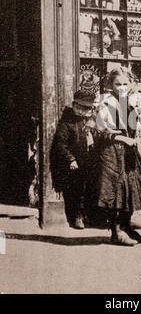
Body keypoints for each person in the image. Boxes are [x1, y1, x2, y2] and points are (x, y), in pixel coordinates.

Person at [94, 67, 141, 246]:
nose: (122, 87)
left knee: (131, 188)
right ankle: (116, 231)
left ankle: (126, 226)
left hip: (129, 152)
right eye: (118, 84)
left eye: (125, 83)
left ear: (131, 83)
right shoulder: (105, 103)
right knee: (116, 190)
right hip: (112, 152)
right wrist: (123, 138)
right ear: (110, 84)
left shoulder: (130, 103)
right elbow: (99, 131)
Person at [50, 90, 97, 229]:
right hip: (76, 162)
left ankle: (91, 216)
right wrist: (71, 159)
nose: (82, 111)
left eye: (86, 108)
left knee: (91, 189)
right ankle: (76, 216)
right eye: (79, 107)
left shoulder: (91, 121)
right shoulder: (67, 123)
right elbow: (61, 144)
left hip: (90, 160)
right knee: (76, 191)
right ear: (74, 105)